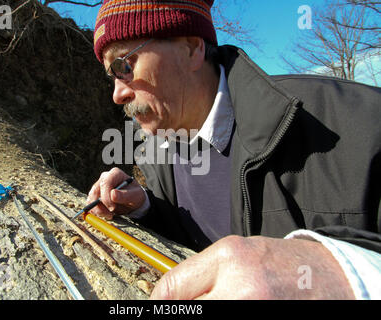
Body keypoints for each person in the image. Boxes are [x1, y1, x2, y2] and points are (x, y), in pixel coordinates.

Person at [86, 0, 381, 299]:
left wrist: (342, 274)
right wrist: (145, 207)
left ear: (191, 48)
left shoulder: (357, 120)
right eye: (112, 76)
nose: (117, 94)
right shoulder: (155, 150)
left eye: (124, 65)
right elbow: (192, 230)